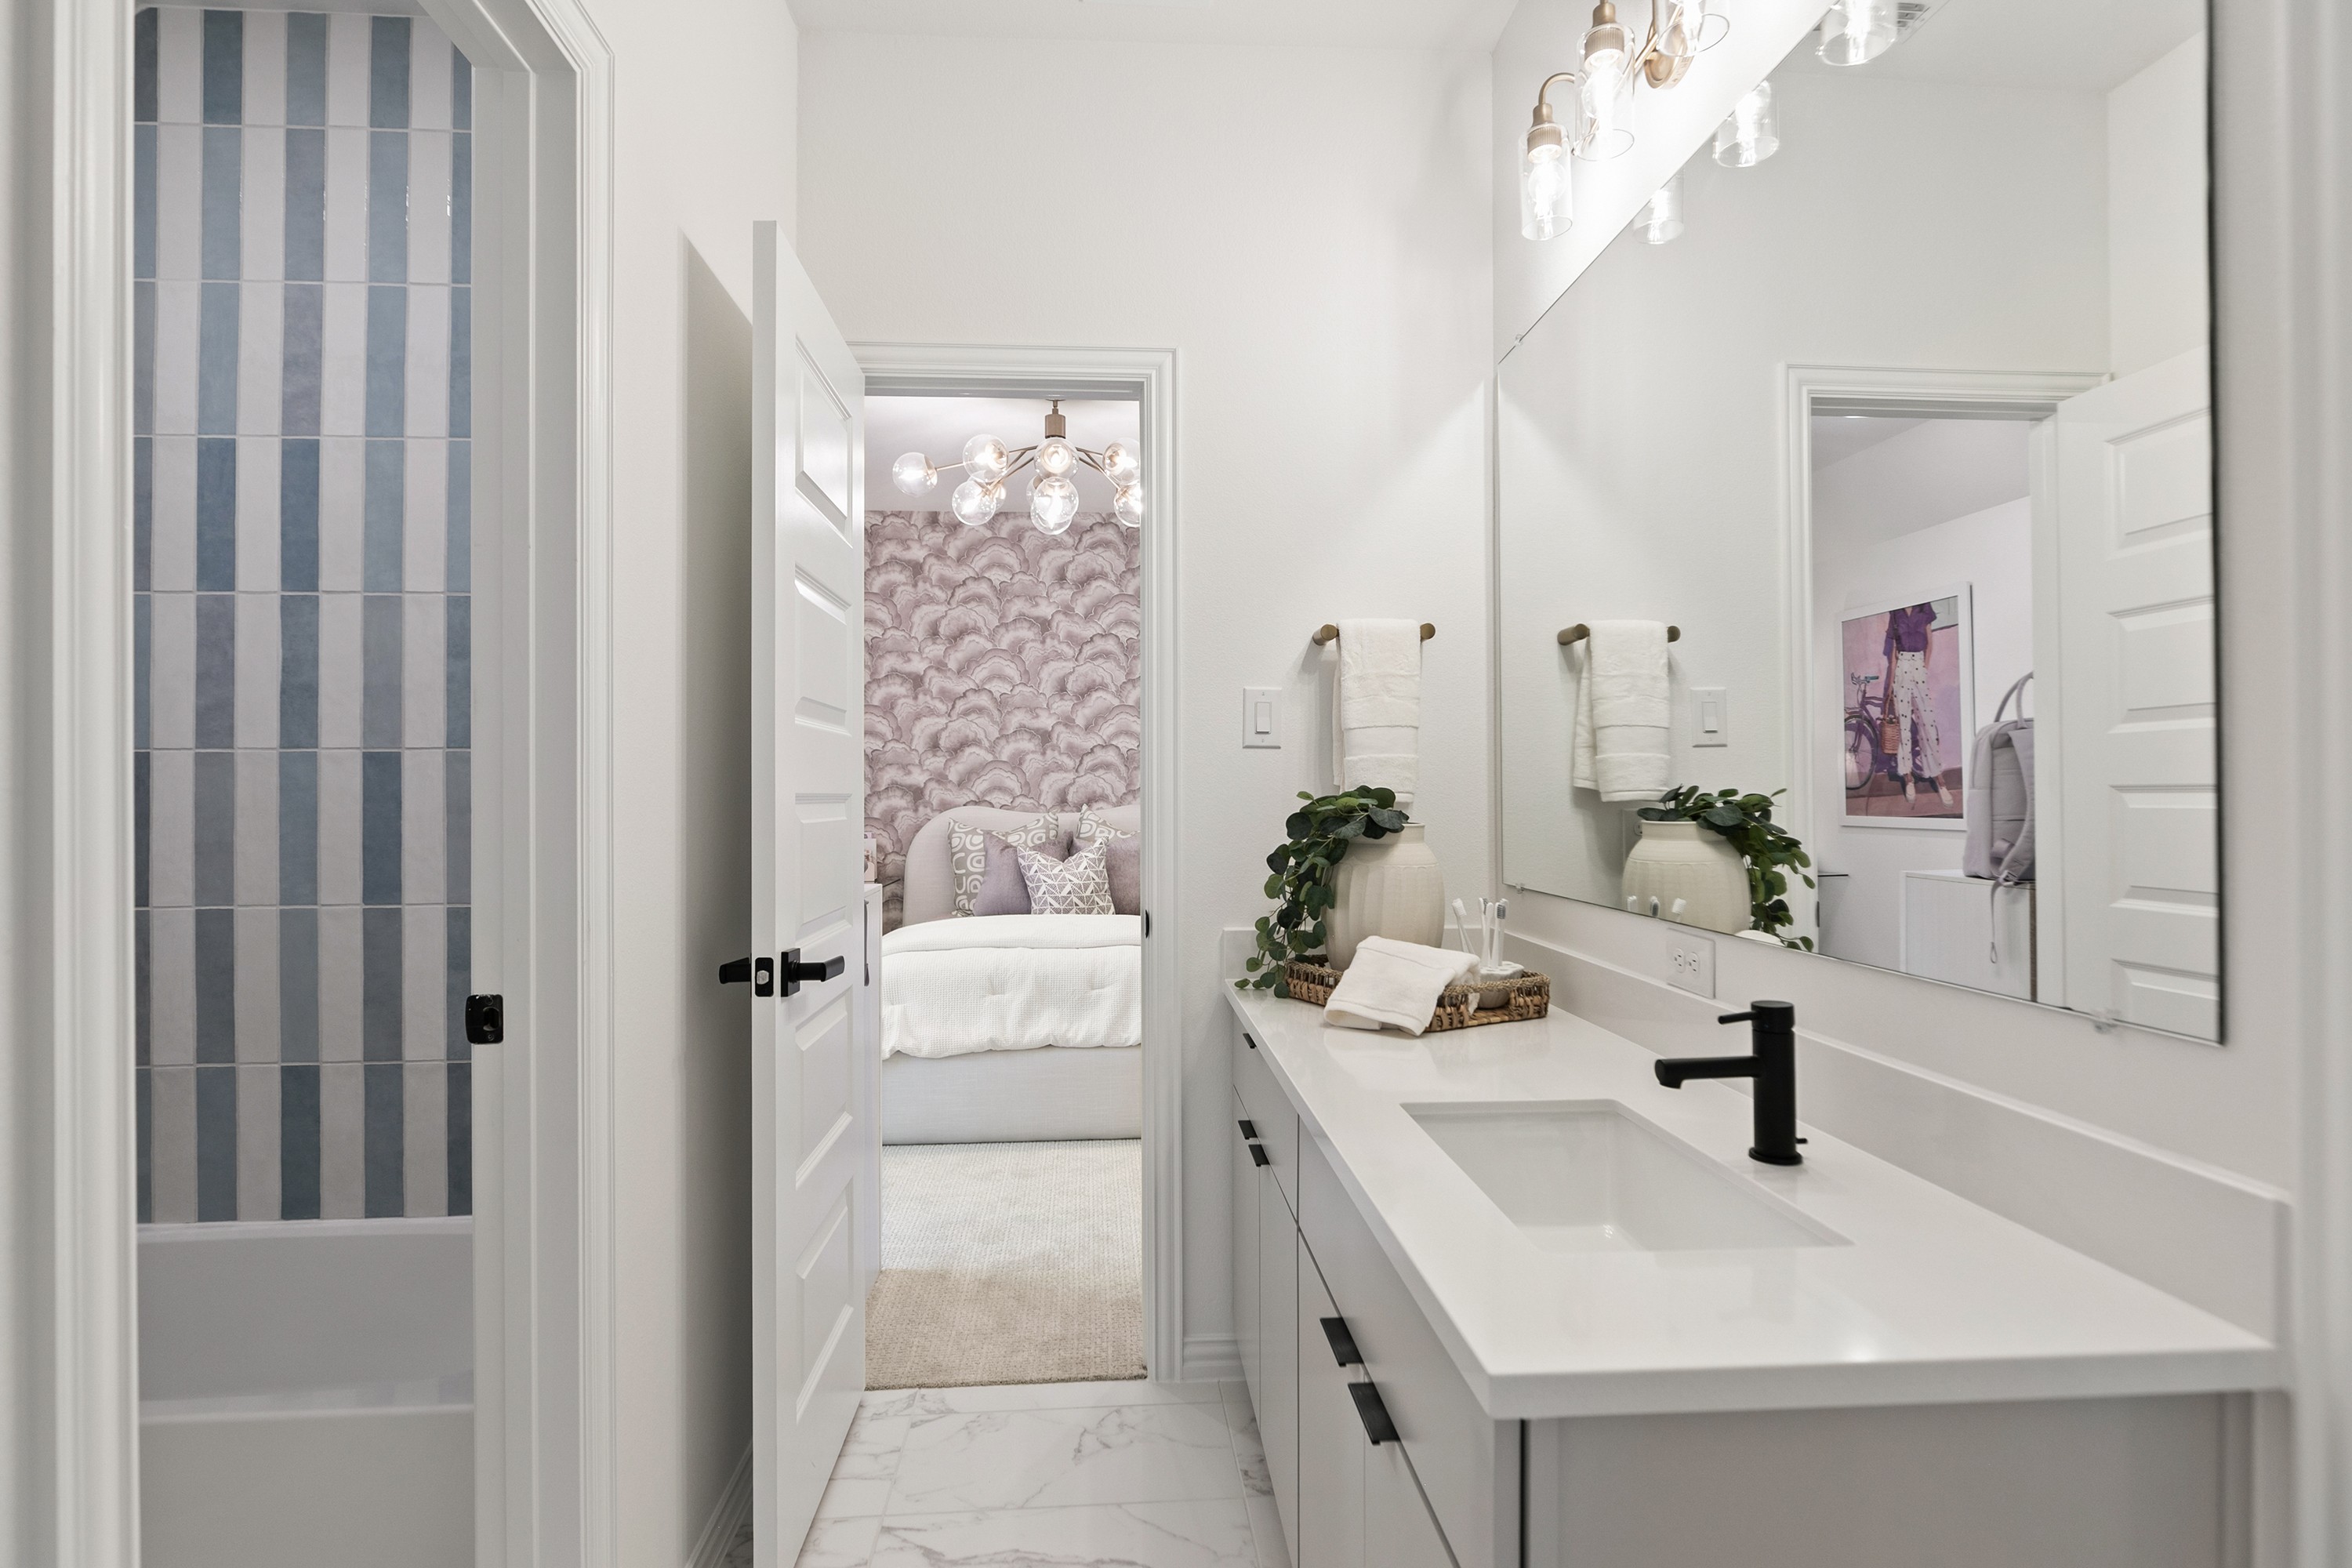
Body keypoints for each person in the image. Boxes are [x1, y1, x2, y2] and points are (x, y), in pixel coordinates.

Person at [1882, 603, 1953, 808]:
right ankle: (1908, 777)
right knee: (1903, 725)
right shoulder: (1895, 612)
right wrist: (1890, 684)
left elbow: (1930, 643)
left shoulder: (1924, 608)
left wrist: (1924, 668)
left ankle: (1939, 778)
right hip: (1902, 665)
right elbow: (1894, 652)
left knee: (1927, 723)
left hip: (1918, 663)